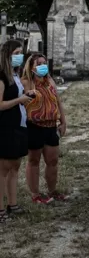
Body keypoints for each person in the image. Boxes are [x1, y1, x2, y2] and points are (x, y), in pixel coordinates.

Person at [21, 52, 67, 203]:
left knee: (52, 160)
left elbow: (58, 102)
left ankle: (52, 191)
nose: (42, 66)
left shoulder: (50, 81)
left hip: (51, 126)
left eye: (44, 63)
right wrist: (28, 94)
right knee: (34, 160)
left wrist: (63, 121)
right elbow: (21, 101)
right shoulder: (26, 82)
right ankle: (35, 194)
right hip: (34, 126)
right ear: (31, 67)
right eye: (39, 64)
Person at [0, 40, 33, 222]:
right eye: (17, 52)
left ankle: (13, 204)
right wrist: (19, 100)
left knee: (15, 167)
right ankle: (0, 211)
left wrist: (26, 97)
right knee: (3, 170)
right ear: (8, 54)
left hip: (19, 126)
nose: (20, 56)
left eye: (21, 52)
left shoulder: (15, 75)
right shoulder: (2, 77)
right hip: (6, 128)